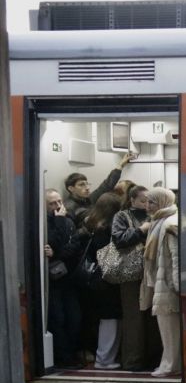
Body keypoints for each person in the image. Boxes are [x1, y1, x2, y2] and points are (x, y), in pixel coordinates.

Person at [112, 185, 159, 371]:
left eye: (149, 201)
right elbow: (119, 240)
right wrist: (141, 230)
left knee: (153, 316)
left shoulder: (155, 216)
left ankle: (153, 358)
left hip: (152, 271)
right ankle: (133, 361)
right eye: (142, 201)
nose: (147, 205)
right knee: (133, 317)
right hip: (130, 274)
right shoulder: (122, 216)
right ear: (132, 200)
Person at [140, 188, 181, 378]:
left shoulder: (168, 223)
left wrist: (177, 285)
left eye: (152, 202)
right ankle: (170, 363)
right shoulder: (161, 221)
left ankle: (170, 365)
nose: (147, 206)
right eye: (147, 202)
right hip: (163, 281)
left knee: (169, 328)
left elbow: (176, 256)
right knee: (168, 327)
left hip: (167, 284)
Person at [45, 189, 86, 369]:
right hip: (52, 280)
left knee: (74, 318)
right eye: (52, 203)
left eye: (59, 202)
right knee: (58, 318)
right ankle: (63, 357)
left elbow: (74, 246)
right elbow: (50, 242)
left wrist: (56, 254)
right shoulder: (46, 223)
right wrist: (59, 221)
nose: (57, 206)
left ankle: (71, 353)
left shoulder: (68, 221)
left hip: (69, 277)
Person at [82, 193, 124, 370]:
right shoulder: (107, 229)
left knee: (105, 319)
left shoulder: (90, 224)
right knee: (111, 318)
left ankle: (104, 357)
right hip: (107, 279)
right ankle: (105, 359)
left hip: (96, 278)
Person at [63, 152, 133, 225]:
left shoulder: (88, 199)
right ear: (71, 188)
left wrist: (121, 165)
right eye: (81, 185)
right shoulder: (68, 207)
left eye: (87, 184)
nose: (87, 188)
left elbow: (107, 185)